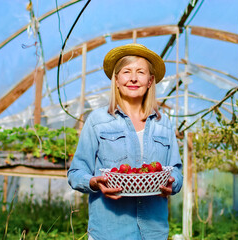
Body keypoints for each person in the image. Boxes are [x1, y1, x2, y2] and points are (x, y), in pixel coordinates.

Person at [67, 43, 183, 240]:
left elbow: (176, 171)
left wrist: (172, 184)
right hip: (109, 232)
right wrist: (94, 182)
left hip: (153, 232)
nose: (133, 78)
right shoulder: (98, 121)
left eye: (141, 72)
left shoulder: (164, 124)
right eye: (126, 72)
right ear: (117, 80)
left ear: (150, 81)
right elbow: (76, 172)